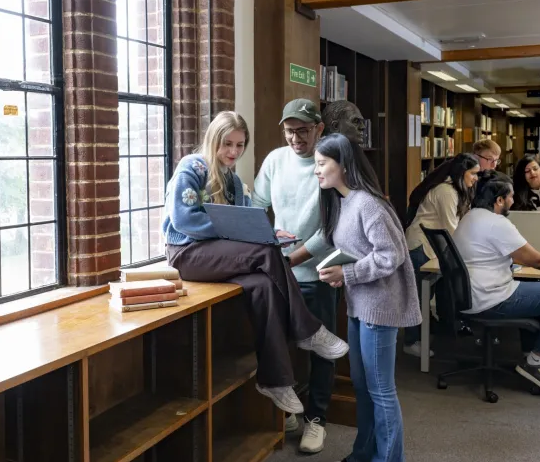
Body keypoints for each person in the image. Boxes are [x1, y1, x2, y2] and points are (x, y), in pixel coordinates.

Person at [162, 111, 348, 415]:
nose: (234, 152)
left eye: (240, 145)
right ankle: (307, 330)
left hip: (219, 255)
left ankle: (274, 380)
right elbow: (184, 221)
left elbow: (248, 221)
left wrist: (273, 233)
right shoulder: (192, 167)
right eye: (227, 144)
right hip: (187, 254)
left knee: (263, 283)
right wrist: (240, 233)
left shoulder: (233, 179)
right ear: (213, 140)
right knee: (265, 253)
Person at [314, 133, 418, 462]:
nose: (315, 171)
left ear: (342, 165)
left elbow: (392, 256)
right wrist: (339, 272)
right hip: (360, 305)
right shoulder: (343, 202)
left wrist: (347, 274)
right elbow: (358, 252)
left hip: (381, 307)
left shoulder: (369, 203)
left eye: (321, 164)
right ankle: (364, 453)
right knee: (363, 388)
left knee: (381, 391)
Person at [453, 170, 540, 398]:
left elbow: (522, 256)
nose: (514, 200)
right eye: (511, 196)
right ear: (499, 200)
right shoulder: (497, 223)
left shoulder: (470, 217)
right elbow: (536, 260)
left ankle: (530, 355)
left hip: (473, 296)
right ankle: (535, 363)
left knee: (539, 286)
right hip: (493, 299)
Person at [251, 98, 335, 453]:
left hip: (317, 273)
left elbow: (330, 229)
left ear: (319, 129)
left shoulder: (329, 164)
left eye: (303, 131)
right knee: (275, 344)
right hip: (280, 274)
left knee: (322, 351)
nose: (296, 138)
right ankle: (287, 411)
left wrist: (292, 259)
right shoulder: (274, 160)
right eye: (290, 131)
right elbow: (256, 207)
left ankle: (317, 419)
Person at [402, 154, 480, 357]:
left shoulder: (457, 190)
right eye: (473, 173)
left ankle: (425, 334)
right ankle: (411, 342)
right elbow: (452, 228)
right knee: (417, 297)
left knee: (425, 296)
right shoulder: (446, 191)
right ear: (461, 172)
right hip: (421, 248)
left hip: (434, 248)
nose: (476, 178)